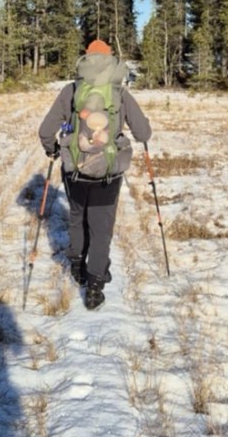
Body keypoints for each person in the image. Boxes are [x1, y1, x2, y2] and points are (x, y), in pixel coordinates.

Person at [38, 40, 152, 310]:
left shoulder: (71, 90)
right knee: (101, 228)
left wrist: (53, 149)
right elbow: (144, 133)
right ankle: (95, 285)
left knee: (77, 219)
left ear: (86, 60)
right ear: (111, 62)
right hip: (108, 173)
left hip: (75, 170)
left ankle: (77, 267)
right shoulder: (119, 93)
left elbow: (45, 131)